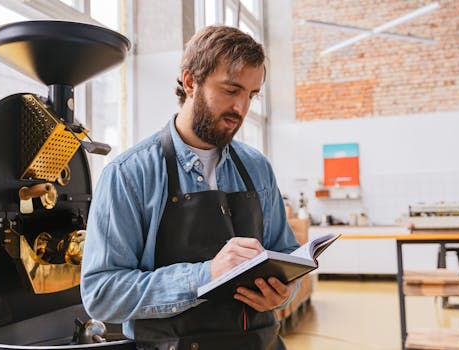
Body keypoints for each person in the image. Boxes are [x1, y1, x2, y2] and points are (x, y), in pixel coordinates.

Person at [81, 25, 300, 350]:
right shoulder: (129, 174)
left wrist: (285, 292)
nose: (241, 108)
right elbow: (102, 294)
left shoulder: (257, 168)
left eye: (251, 95)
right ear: (190, 82)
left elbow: (286, 253)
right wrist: (205, 276)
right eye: (231, 90)